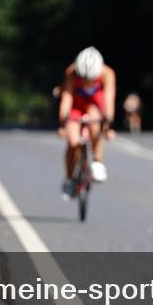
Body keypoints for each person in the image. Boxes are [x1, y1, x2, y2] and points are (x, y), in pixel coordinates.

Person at [57, 47, 116, 197]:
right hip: (76, 106)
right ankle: (70, 178)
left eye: (89, 79)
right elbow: (67, 98)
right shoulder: (71, 72)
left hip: (94, 105)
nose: (85, 82)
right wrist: (63, 122)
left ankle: (98, 161)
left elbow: (109, 100)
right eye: (83, 78)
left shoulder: (107, 74)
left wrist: (108, 125)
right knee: (73, 142)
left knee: (95, 122)